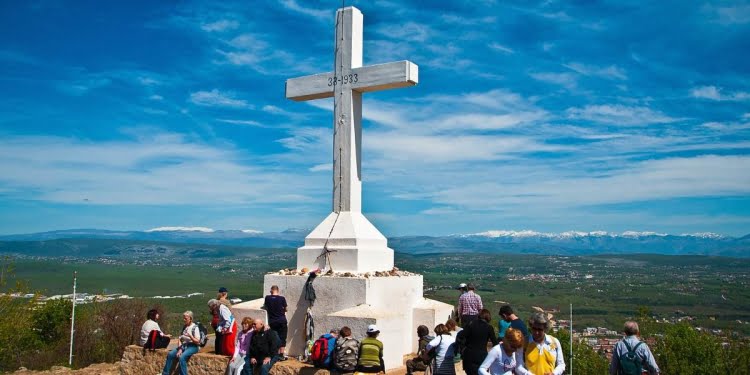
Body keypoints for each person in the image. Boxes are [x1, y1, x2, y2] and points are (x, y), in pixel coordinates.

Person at [458, 309, 499, 375]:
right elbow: (495, 343)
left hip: (469, 355)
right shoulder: (489, 328)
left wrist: (462, 348)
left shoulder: (471, 325)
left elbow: (461, 336)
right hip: (482, 356)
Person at [161, 311, 200, 375]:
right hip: (184, 346)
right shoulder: (185, 327)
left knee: (182, 357)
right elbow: (180, 339)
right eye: (184, 318)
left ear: (190, 318)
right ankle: (165, 373)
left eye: (186, 318)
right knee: (170, 354)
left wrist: (190, 336)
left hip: (193, 346)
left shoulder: (195, 327)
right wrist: (180, 349)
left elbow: (198, 341)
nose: (184, 320)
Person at [264, 285, 288, 359]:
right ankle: (281, 355)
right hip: (282, 321)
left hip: (272, 322)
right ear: (278, 290)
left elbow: (265, 307)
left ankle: (275, 354)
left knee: (274, 338)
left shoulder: (267, 298)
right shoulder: (282, 298)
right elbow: (286, 309)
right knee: (282, 337)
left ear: (271, 290)